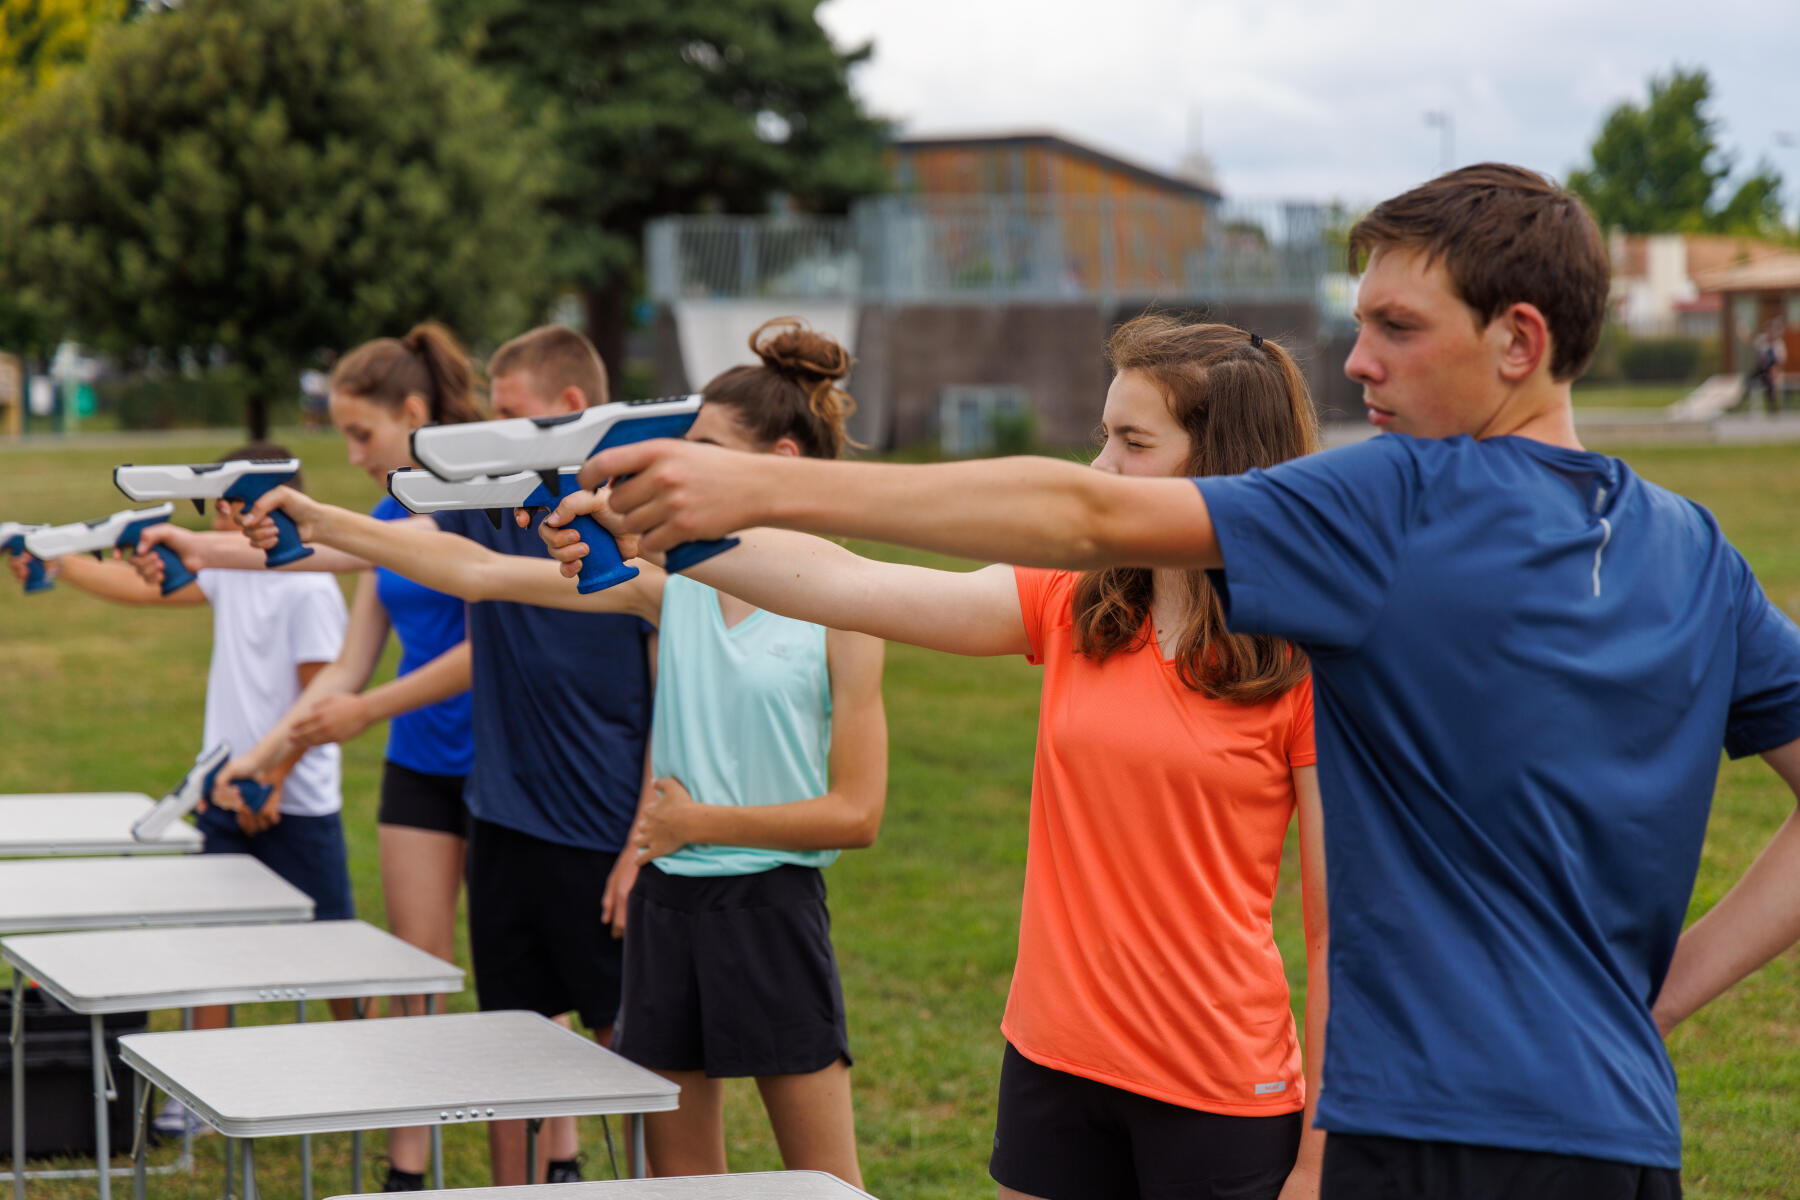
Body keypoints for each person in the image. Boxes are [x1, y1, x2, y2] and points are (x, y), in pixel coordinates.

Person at [579, 165, 1800, 1200]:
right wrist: (1649, 1001)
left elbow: (1079, 509)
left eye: (1398, 328)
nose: (1357, 361)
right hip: (1616, 1131)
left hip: (1416, 1131)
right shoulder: (1698, 556)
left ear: (1520, 341)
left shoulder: (1400, 500)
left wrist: (765, 483)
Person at [540, 316, 1329, 1200]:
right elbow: (854, 583)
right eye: (1103, 434)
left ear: (1221, 465)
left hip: (1218, 1086)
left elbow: (1341, 932)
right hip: (1054, 1058)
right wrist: (657, 535)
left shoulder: (1306, 663)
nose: (1101, 467)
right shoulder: (1076, 602)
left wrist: (1321, 1153)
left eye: (1134, 441)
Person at [231, 319, 888, 1185]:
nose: (673, 472)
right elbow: (477, 573)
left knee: (825, 1188)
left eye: (701, 452)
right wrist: (324, 519)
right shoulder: (671, 583)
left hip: (771, 913)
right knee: (678, 1186)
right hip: (667, 915)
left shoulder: (848, 605)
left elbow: (857, 814)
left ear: (780, 463)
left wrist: (700, 822)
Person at [143, 326, 655, 1186]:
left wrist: (644, 838)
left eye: (513, 412)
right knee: (510, 1033)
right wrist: (203, 544)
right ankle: (475, 1174)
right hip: (501, 806)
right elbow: (381, 549)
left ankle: (586, 1168)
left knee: (625, 1057)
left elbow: (659, 680)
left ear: (571, 410)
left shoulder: (621, 517)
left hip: (588, 814)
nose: (496, 423)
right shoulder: (482, 495)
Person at [162, 325, 482, 1192]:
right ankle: (407, 1167)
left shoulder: (489, 498)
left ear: (413, 412)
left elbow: (492, 634)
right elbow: (334, 594)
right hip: (420, 760)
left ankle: (558, 1155)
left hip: (504, 762)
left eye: (359, 433)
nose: (348, 453)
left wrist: (357, 713)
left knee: (524, 980)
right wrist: (268, 752)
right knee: (416, 965)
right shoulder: (385, 511)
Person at [14, 444, 354, 1131]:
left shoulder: (310, 585)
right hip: (220, 790)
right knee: (212, 945)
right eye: (216, 504)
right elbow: (147, 588)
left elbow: (323, 692)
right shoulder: (232, 568)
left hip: (297, 801)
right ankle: (202, 1089)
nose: (220, 514)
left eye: (231, 501)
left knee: (341, 957)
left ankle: (369, 1061)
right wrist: (59, 558)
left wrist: (274, 778)